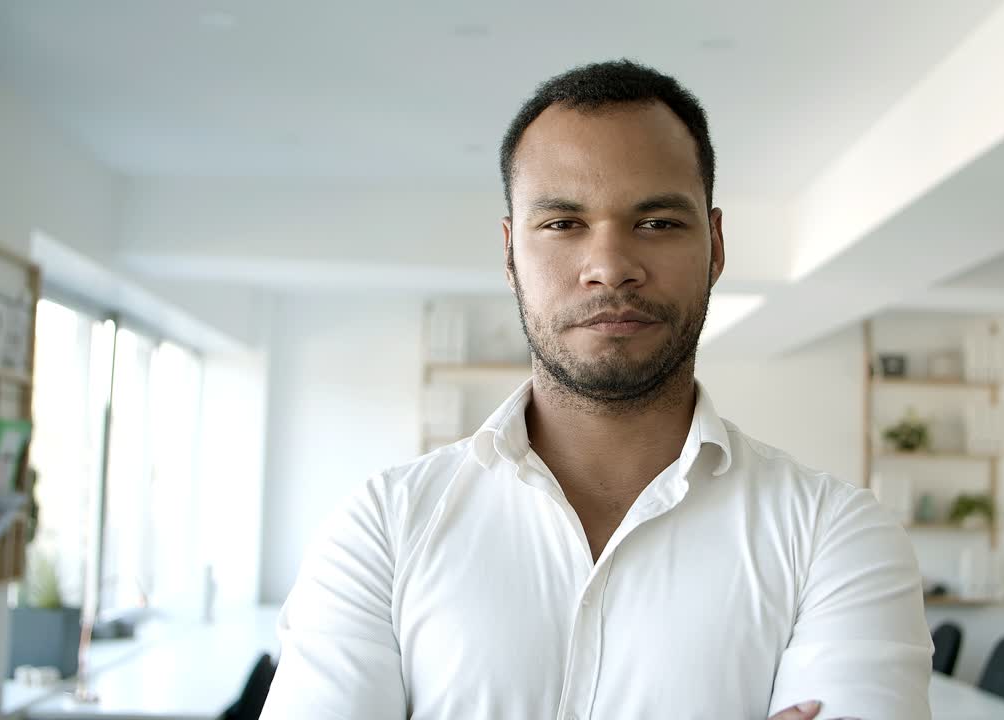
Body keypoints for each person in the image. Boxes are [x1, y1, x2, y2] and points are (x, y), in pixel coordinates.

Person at [261, 59, 932, 720]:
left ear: (716, 245)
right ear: (508, 253)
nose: (610, 267)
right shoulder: (383, 527)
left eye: (659, 222)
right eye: (562, 223)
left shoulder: (834, 535)